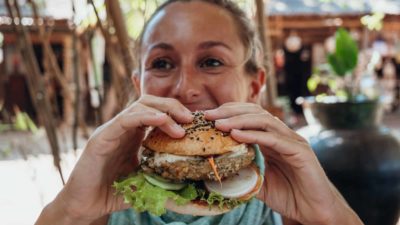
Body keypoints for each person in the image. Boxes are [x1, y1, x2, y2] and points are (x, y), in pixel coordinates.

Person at [34, 0, 364, 225]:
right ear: (140, 86)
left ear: (254, 85)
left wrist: (327, 214)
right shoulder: (107, 189)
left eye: (211, 62)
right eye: (162, 64)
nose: (185, 87)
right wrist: (70, 212)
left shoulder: (287, 194)